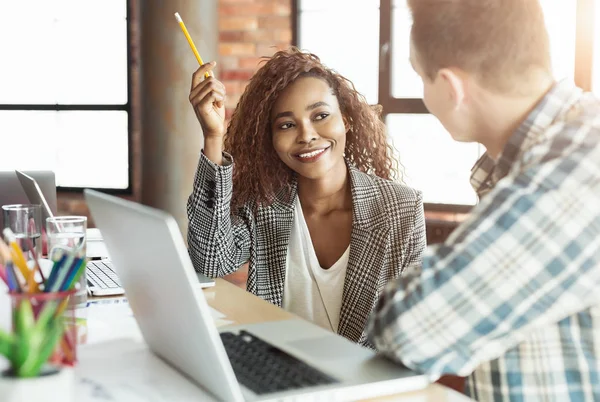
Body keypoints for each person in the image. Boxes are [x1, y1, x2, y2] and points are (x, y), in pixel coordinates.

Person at [367, 0, 600, 400]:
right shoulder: (545, 155)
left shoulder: (581, 170)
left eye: (421, 78)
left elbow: (408, 328)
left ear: (453, 88)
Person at [186, 48, 426, 348]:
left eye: (321, 116)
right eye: (286, 124)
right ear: (270, 139)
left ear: (347, 120)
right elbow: (208, 263)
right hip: (275, 373)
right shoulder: (264, 202)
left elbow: (413, 331)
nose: (306, 135)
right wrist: (212, 136)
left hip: (361, 385)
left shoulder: (401, 209)